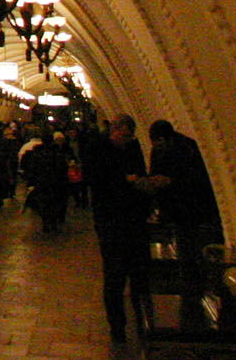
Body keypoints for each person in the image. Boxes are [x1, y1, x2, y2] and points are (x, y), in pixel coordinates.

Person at [83, 114, 153, 341]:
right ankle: (117, 327)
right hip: (110, 220)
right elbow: (95, 180)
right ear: (113, 131)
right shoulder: (97, 148)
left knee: (139, 275)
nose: (127, 139)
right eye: (124, 135)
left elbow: (140, 174)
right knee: (114, 275)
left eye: (130, 136)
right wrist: (125, 181)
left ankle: (144, 322)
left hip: (135, 220)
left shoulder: (133, 148)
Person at [146, 119, 220, 330]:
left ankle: (193, 299)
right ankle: (190, 296)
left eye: (158, 142)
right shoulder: (164, 150)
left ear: (166, 138)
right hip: (177, 213)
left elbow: (199, 182)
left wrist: (170, 183)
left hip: (194, 213)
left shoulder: (188, 150)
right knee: (186, 256)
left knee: (192, 256)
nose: (155, 147)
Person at [23, 131, 72, 232]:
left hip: (42, 182)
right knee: (54, 202)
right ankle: (53, 223)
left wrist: (32, 181)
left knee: (44, 203)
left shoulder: (37, 152)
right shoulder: (57, 152)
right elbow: (62, 167)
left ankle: (45, 223)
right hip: (56, 182)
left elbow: (32, 168)